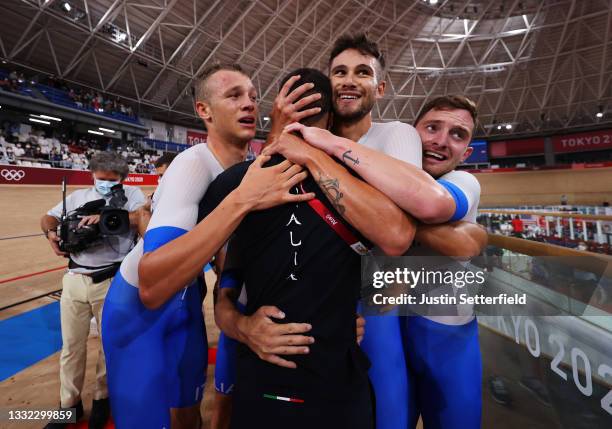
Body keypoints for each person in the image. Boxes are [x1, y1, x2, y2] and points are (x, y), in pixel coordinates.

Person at [101, 63, 315, 429]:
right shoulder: (193, 165)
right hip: (139, 315)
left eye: (252, 96)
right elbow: (153, 284)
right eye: (233, 95)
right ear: (204, 111)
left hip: (187, 309)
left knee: (189, 419)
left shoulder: (247, 169)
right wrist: (242, 201)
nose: (249, 104)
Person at [200, 66, 416, 429]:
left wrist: (236, 321)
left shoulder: (236, 182)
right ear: (331, 120)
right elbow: (398, 240)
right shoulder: (362, 184)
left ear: (277, 114)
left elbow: (224, 270)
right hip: (337, 379)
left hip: (268, 377)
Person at [292, 93, 486, 429]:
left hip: (447, 344)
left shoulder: (463, 181)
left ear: (467, 153)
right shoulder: (382, 173)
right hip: (386, 334)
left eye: (458, 135)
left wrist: (380, 212)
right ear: (412, 135)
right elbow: (459, 240)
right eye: (432, 128)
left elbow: (446, 225)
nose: (441, 141)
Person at [40, 152, 147, 429]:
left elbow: (141, 218)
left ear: (122, 179)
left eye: (112, 181)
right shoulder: (76, 197)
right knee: (70, 348)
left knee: (108, 347)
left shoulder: (133, 195)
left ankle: (103, 399)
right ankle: (69, 405)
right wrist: (50, 234)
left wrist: (105, 217)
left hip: (112, 280)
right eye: (101, 179)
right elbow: (48, 218)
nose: (106, 185)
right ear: (92, 175)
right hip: (75, 278)